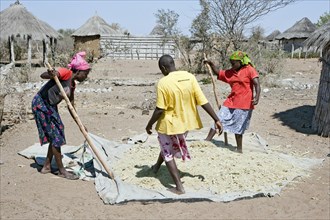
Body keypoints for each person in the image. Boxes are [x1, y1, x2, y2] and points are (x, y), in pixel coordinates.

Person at [146, 54, 223, 194]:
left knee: (167, 151)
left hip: (169, 124)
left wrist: (149, 124)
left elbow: (160, 109)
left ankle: (179, 187)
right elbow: (203, 100)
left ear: (163, 68)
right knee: (167, 145)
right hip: (186, 124)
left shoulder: (163, 82)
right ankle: (156, 167)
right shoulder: (190, 77)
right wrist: (216, 119)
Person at [31, 51, 91, 180]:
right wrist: (51, 74)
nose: (86, 76)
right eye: (85, 73)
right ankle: (61, 170)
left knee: (57, 133)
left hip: (51, 107)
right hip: (41, 104)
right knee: (56, 136)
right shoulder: (66, 72)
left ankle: (47, 166)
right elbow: (43, 75)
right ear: (78, 71)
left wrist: (80, 123)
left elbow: (71, 105)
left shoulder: (72, 85)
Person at [204, 51, 260, 153]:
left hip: (244, 104)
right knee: (218, 119)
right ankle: (207, 141)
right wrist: (211, 64)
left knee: (238, 127)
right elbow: (219, 73)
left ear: (240, 62)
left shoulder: (249, 70)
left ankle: (239, 149)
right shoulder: (231, 72)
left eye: (234, 63)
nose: (232, 65)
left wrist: (257, 96)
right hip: (231, 102)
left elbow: (257, 84)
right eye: (231, 63)